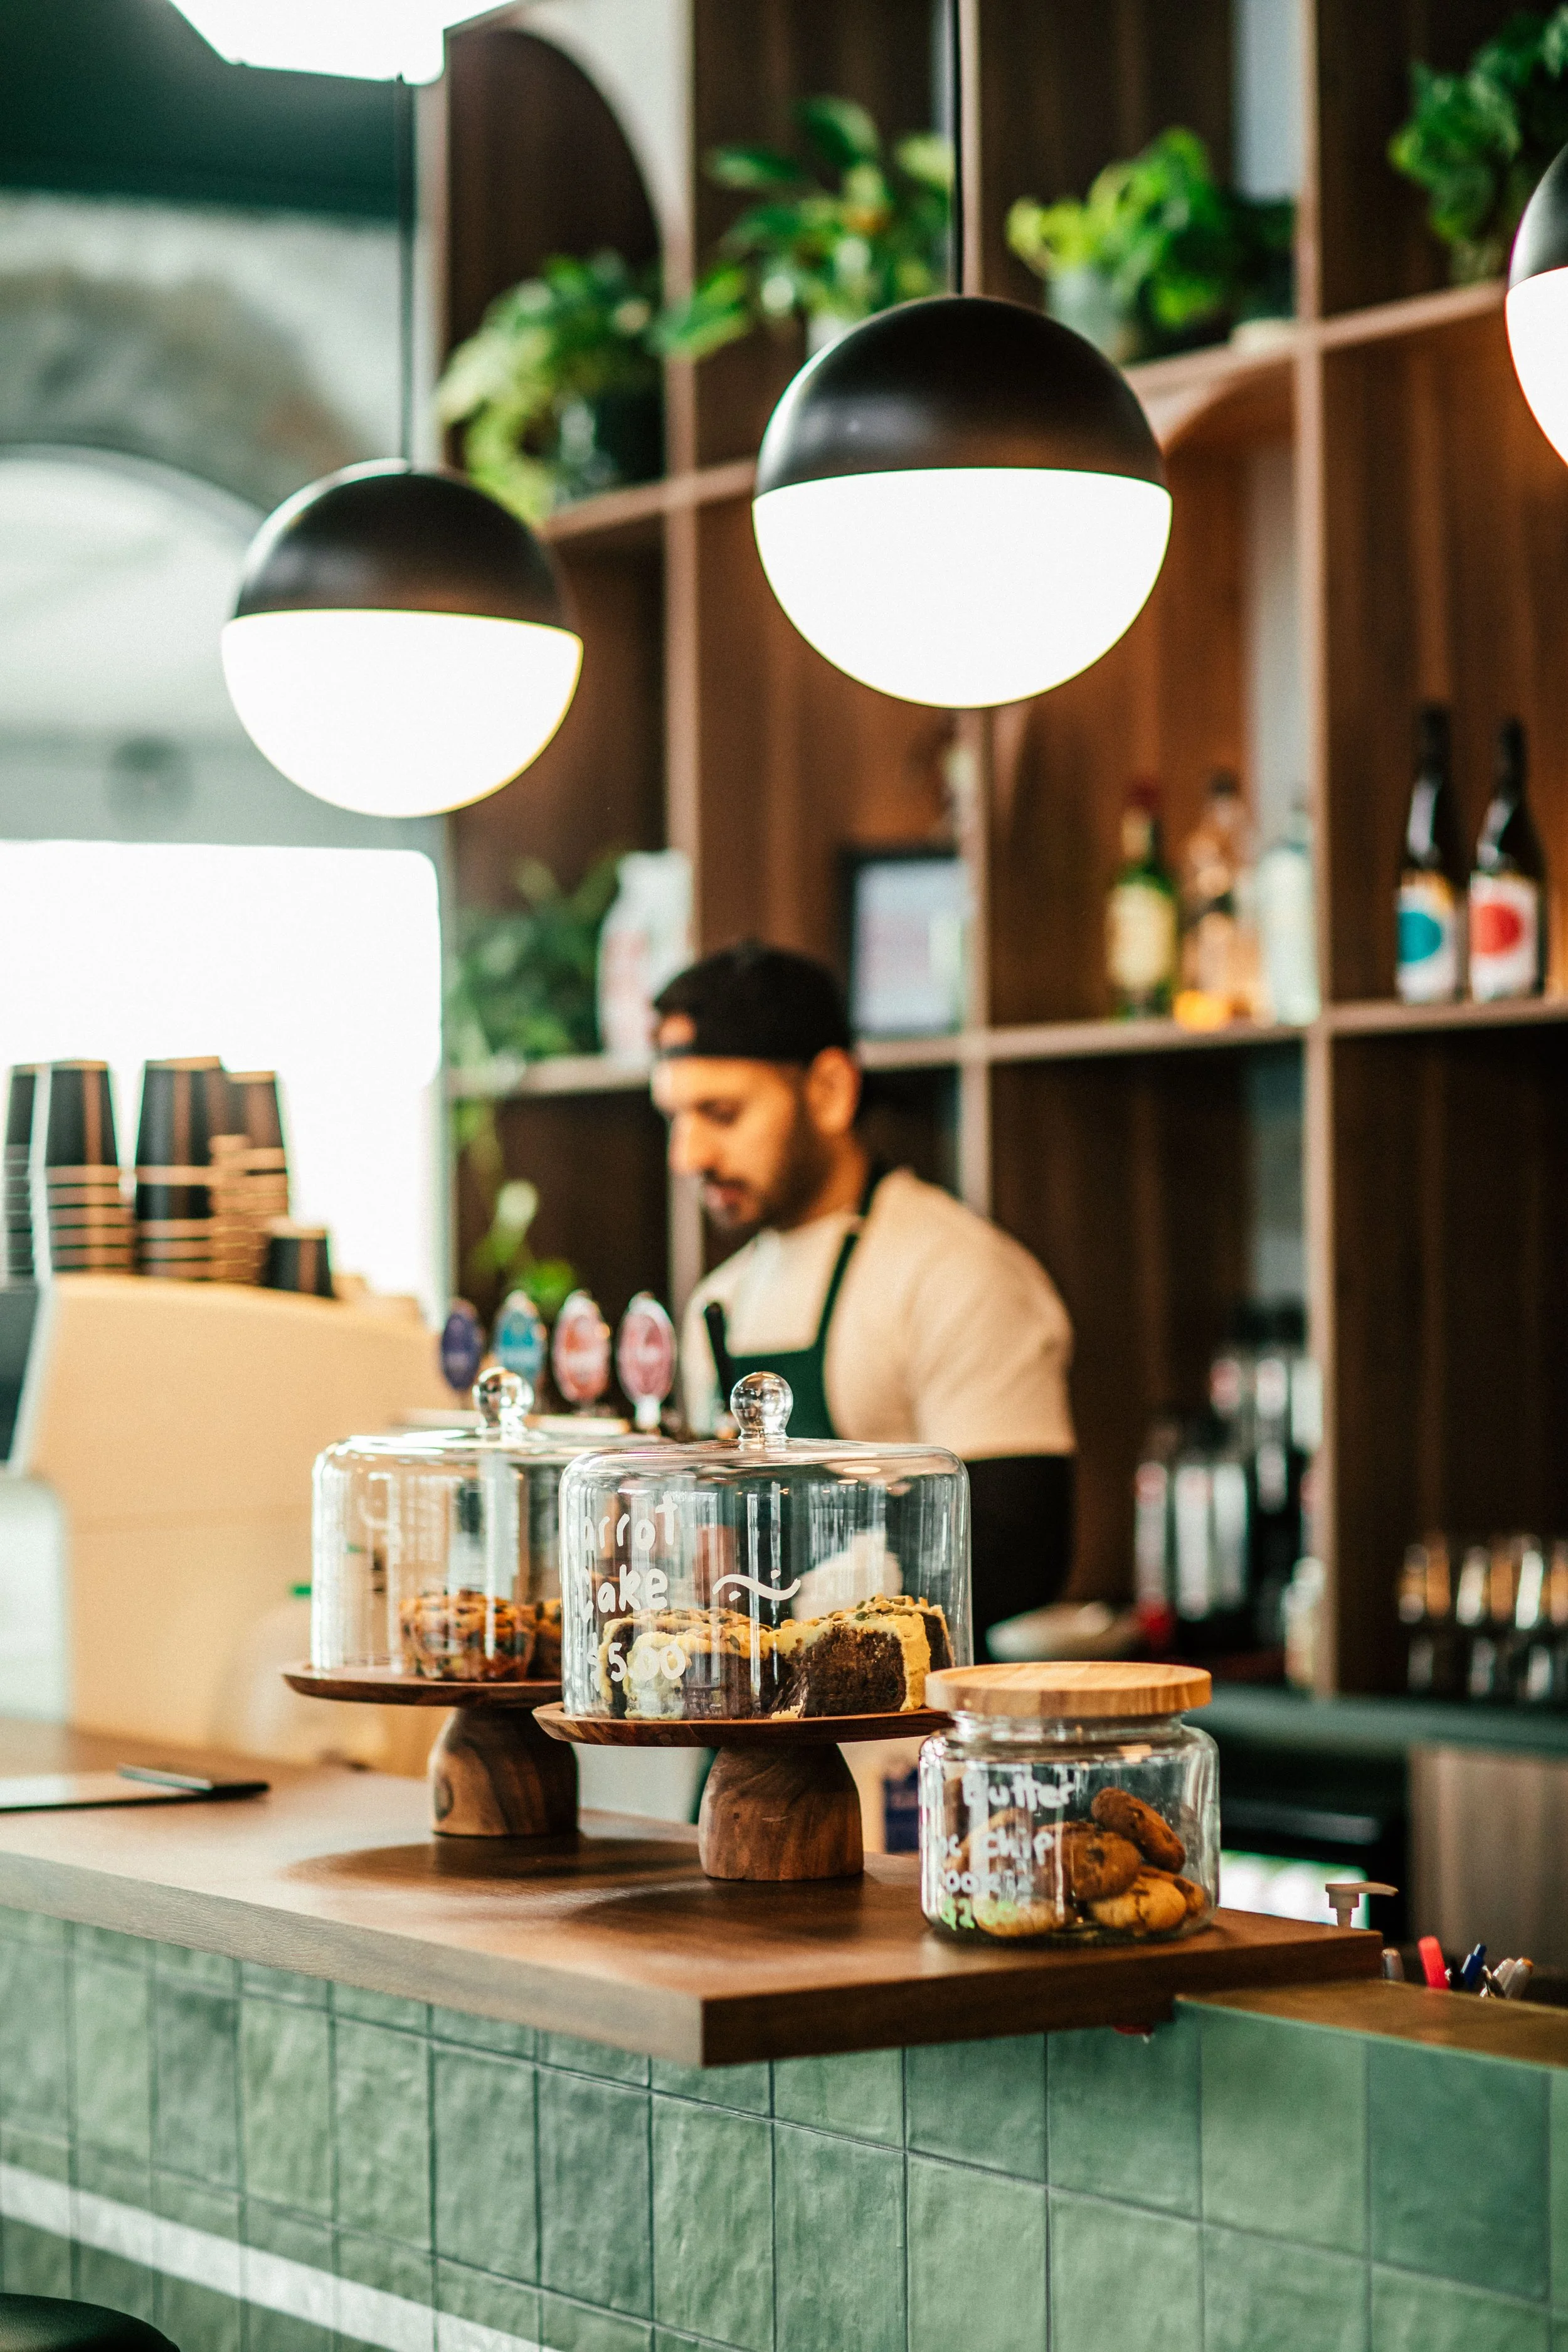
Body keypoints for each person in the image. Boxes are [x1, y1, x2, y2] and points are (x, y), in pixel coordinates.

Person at [650, 938, 1075, 1648]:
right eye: (675, 1118)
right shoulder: (717, 1304)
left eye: (720, 1114)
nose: (687, 1156)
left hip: (906, 1746)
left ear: (829, 1091)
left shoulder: (956, 1273)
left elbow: (1017, 1551)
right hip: (751, 1739)